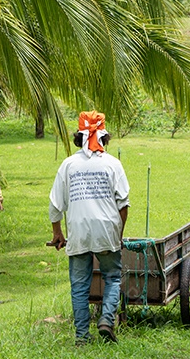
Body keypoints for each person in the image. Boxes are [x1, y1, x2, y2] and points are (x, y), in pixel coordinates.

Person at [46, 111, 129, 344]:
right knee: (112, 277)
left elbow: (55, 205)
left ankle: (82, 337)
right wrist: (117, 236)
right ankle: (105, 321)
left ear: (79, 136)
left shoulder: (68, 165)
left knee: (80, 286)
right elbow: (123, 205)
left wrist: (58, 233)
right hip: (107, 230)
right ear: (104, 137)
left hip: (78, 231)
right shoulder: (113, 164)